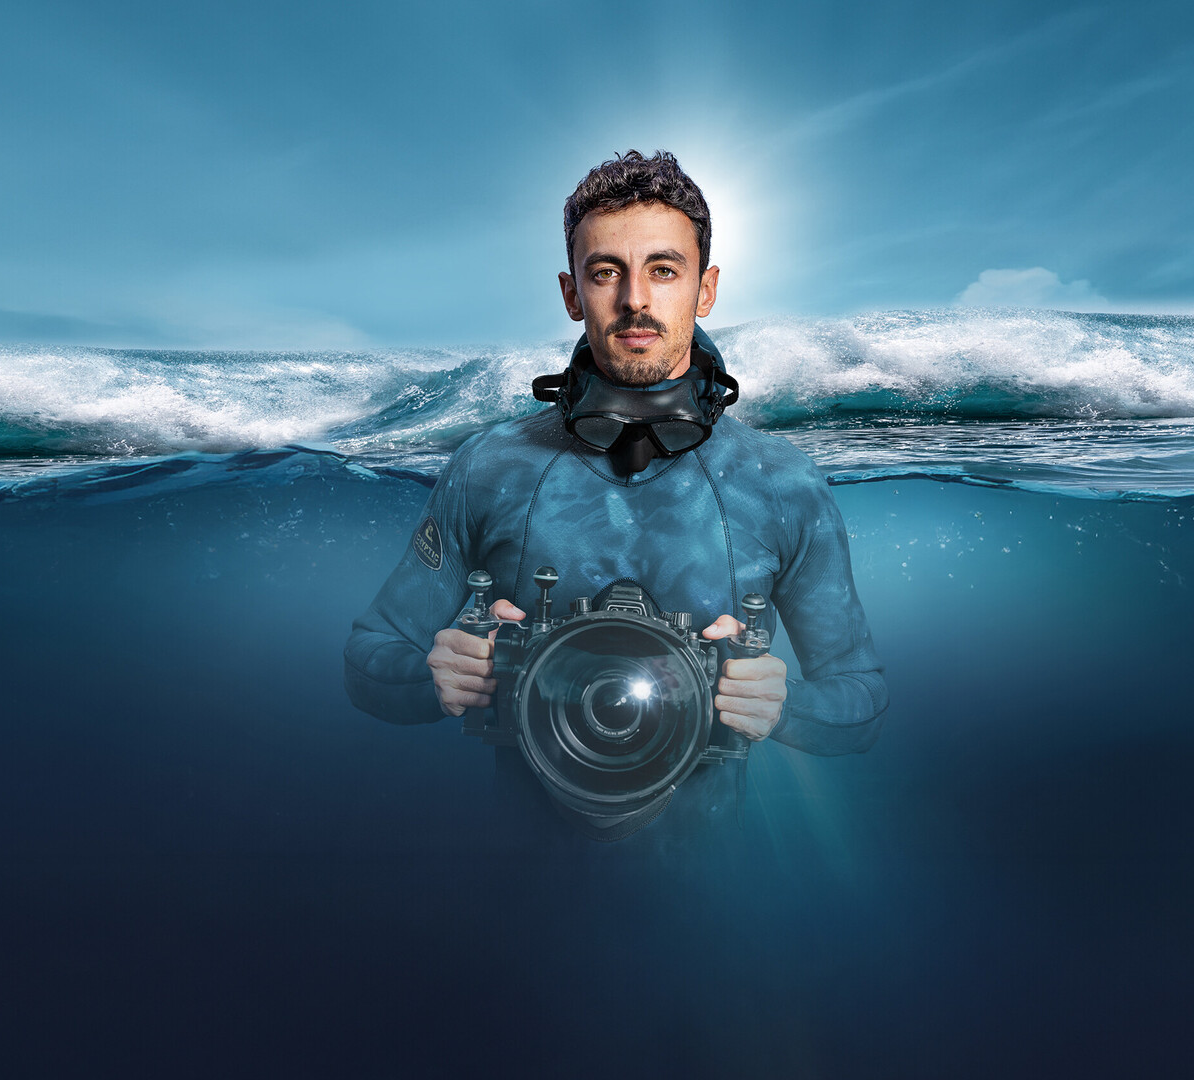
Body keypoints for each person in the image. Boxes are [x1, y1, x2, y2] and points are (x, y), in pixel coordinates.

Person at [344, 150, 886, 840]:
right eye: (607, 273)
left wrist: (782, 706)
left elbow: (861, 702)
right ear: (572, 294)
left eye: (664, 270)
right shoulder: (487, 466)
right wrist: (436, 676)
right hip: (522, 879)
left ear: (706, 288)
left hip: (708, 888)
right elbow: (367, 657)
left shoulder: (782, 482)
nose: (635, 299)